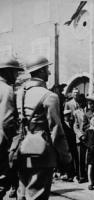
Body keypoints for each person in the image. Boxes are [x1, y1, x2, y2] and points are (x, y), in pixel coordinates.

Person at [16, 56, 71, 200]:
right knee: (37, 195)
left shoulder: (20, 93)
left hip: (21, 148)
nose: (49, 73)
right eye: (47, 69)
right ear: (40, 71)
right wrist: (65, 156)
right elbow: (56, 130)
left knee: (22, 194)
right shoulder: (50, 96)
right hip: (42, 152)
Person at [0, 59, 23, 200]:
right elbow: (6, 121)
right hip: (1, 145)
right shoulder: (7, 89)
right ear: (7, 71)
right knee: (2, 183)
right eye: (15, 72)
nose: (17, 76)